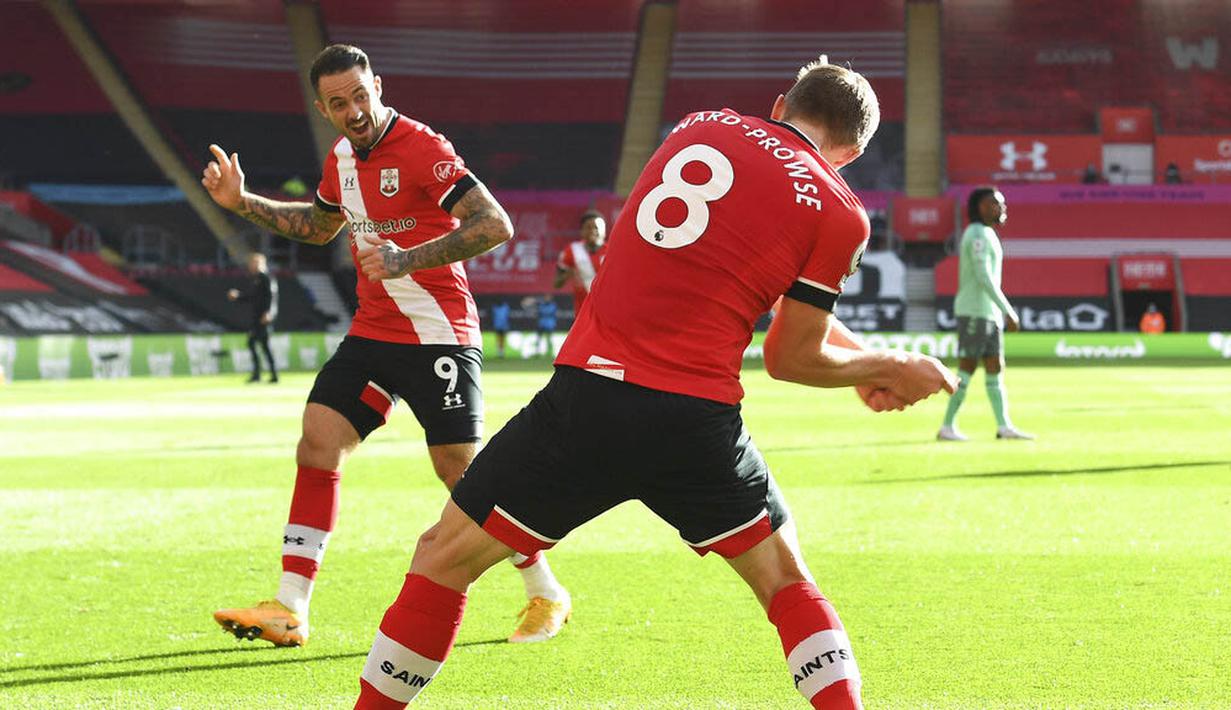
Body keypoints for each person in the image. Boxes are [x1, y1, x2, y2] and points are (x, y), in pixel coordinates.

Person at [351, 57, 956, 709]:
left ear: (780, 104)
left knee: (444, 559)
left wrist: (864, 360)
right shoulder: (839, 211)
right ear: (855, 151)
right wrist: (889, 367)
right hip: (693, 422)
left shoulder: (700, 125)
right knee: (786, 585)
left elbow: (731, 269)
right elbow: (789, 357)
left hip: (589, 402)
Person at [200, 44, 570, 648]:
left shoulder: (423, 147)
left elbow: (494, 224)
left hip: (438, 332)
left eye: (361, 95)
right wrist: (242, 203)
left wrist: (405, 259)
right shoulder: (341, 159)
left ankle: (545, 590)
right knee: (318, 441)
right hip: (373, 331)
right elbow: (319, 227)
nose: (355, 111)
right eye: (339, 103)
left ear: (378, 84)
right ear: (324, 109)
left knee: (461, 472)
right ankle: (290, 606)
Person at [937, 187, 1033, 441]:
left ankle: (1004, 426)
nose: (1001, 208)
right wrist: (1008, 310)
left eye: (1001, 204)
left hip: (988, 312)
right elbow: (983, 277)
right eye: (994, 203)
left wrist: (999, 312)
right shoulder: (976, 234)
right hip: (974, 311)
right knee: (967, 367)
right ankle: (947, 426)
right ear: (980, 207)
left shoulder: (987, 234)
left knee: (995, 366)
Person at [227, 252, 279, 384]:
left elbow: (272, 297)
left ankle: (265, 375)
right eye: (251, 263)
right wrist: (238, 296)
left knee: (258, 344)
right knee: (260, 345)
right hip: (257, 317)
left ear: (261, 263)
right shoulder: (256, 279)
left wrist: (268, 313)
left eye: (254, 262)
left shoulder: (266, 278)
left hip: (263, 318)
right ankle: (267, 375)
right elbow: (252, 297)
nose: (251, 265)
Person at [553, 209, 608, 315]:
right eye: (588, 227)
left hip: (607, 308)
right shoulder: (572, 251)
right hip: (582, 311)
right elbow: (557, 284)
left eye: (596, 227)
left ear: (604, 231)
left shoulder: (611, 252)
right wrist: (567, 275)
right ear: (582, 231)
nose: (593, 231)